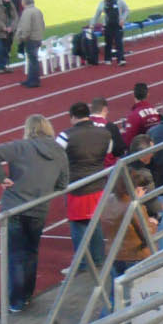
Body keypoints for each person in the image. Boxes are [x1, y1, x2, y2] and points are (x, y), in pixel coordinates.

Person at [0, 115, 69, 311]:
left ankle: (16, 301)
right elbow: (63, 183)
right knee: (31, 252)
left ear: (29, 129)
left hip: (14, 207)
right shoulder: (59, 151)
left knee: (15, 255)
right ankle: (27, 296)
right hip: (39, 208)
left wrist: (1, 178)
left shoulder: (21, 147)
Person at [58, 102, 112, 272]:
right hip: (99, 183)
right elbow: (109, 152)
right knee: (94, 222)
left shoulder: (66, 136)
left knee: (78, 225)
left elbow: (55, 156)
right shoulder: (105, 133)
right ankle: (98, 259)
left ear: (73, 117)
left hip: (77, 186)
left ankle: (81, 264)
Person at [97, 174, 156, 280]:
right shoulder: (134, 207)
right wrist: (153, 224)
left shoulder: (107, 200)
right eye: (142, 188)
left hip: (114, 252)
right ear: (135, 189)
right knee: (138, 286)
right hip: (135, 255)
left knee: (116, 286)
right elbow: (146, 234)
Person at [13, 0, 46, 88]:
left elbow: (26, 27)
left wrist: (22, 38)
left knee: (32, 60)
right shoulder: (37, 10)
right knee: (33, 60)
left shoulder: (27, 12)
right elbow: (42, 24)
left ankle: (33, 81)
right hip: (37, 38)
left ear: (24, 2)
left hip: (31, 39)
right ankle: (32, 79)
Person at [93, 0, 130, 65]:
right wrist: (92, 24)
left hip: (118, 25)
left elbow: (126, 10)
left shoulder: (119, 1)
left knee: (118, 43)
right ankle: (107, 59)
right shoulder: (102, 3)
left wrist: (123, 19)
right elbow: (97, 14)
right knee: (108, 43)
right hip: (107, 26)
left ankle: (120, 60)